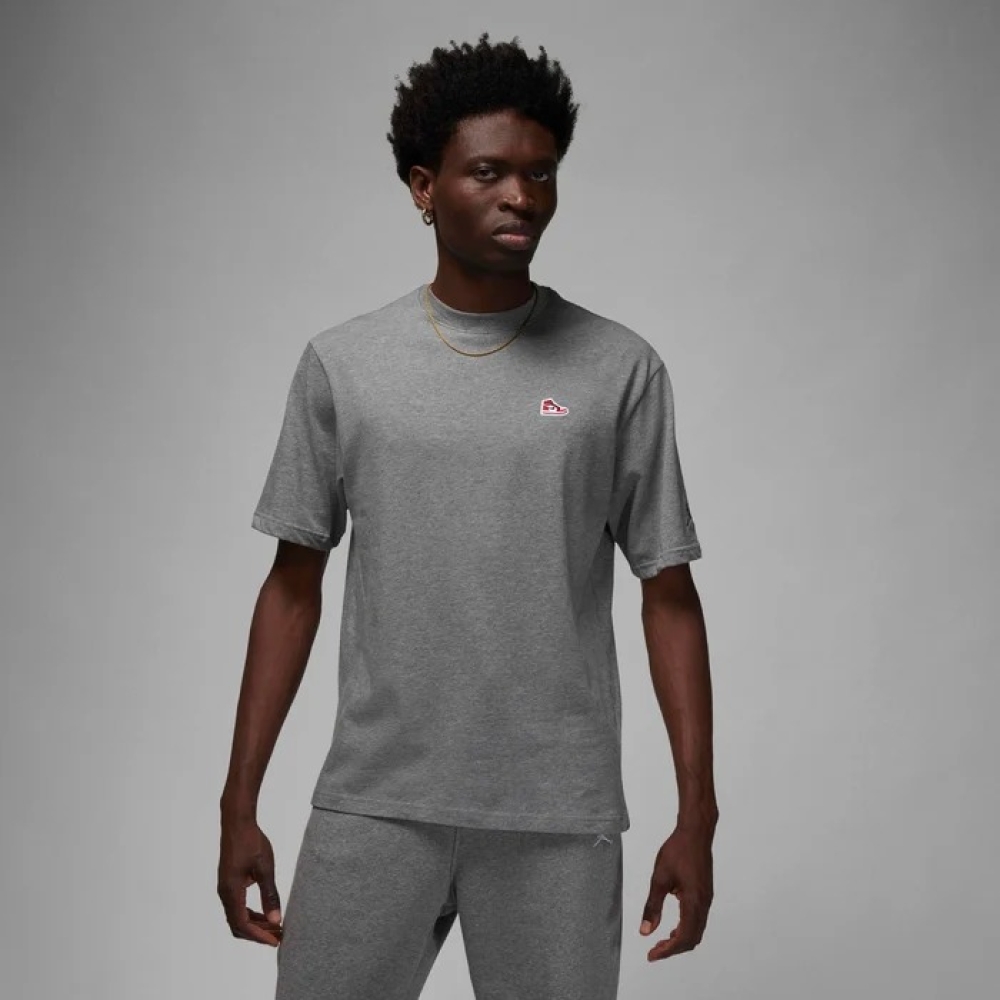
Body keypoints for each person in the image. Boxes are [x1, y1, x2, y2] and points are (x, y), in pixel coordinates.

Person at [217, 32, 718, 999]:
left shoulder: (619, 370)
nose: (521, 196)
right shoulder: (344, 366)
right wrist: (239, 801)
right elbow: (290, 589)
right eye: (488, 171)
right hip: (377, 802)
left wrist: (697, 815)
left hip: (557, 816)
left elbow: (670, 594)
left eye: (541, 172)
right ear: (423, 185)